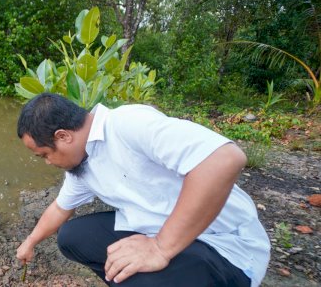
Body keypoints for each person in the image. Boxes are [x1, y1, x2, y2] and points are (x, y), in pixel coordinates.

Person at [15, 93, 270, 287]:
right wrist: (30, 242)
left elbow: (224, 159)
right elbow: (60, 208)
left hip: (225, 247)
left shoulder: (127, 124)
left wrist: (160, 247)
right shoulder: (82, 162)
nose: (48, 162)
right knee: (73, 236)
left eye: (44, 155)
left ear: (63, 136)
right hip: (161, 230)